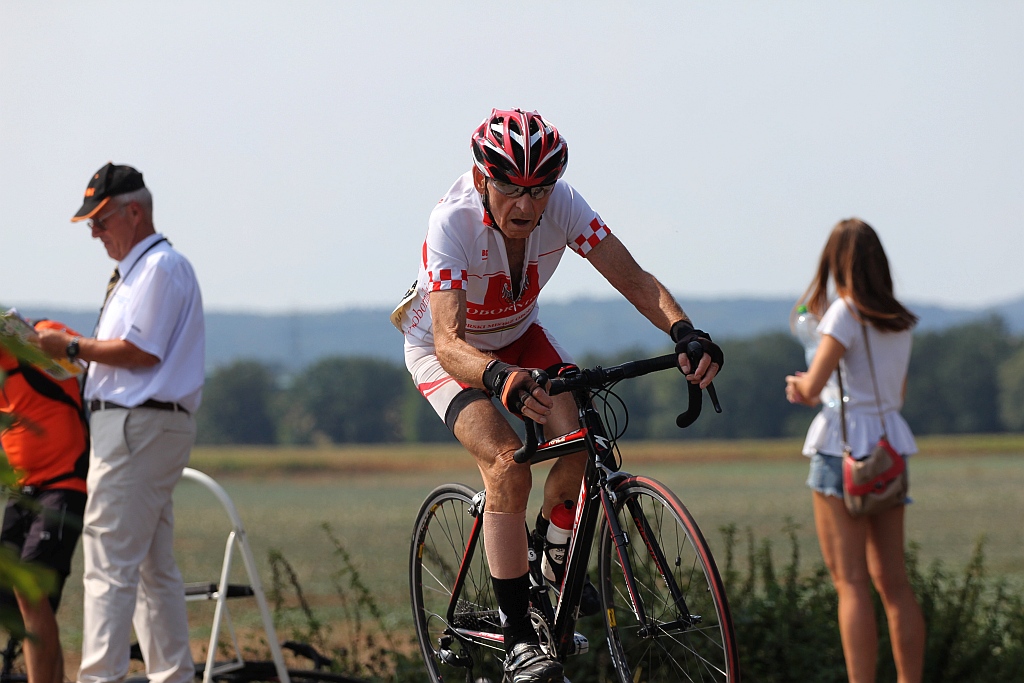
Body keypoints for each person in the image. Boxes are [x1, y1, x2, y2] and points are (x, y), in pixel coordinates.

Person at [393, 108, 724, 683]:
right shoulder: (450, 224)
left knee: (579, 441)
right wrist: (497, 378)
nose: (526, 206)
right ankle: (520, 637)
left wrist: (684, 332)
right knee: (507, 465)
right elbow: (447, 342)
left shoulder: (565, 207)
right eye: (512, 190)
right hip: (450, 352)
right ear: (481, 181)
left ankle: (551, 552)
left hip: (521, 335)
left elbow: (636, 280)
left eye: (539, 190)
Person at [36, 163, 205, 683]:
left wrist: (68, 346)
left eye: (101, 220)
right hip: (142, 426)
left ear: (135, 211)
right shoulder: (145, 270)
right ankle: (171, 675)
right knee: (154, 571)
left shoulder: (158, 268)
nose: (94, 231)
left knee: (108, 567)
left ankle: (100, 678)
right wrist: (75, 355)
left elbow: (139, 352)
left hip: (137, 428)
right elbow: (125, 354)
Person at [784, 218, 925, 683]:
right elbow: (897, 393)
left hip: (840, 449)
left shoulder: (844, 313)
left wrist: (798, 386)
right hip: (890, 446)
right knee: (895, 584)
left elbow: (814, 386)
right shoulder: (900, 319)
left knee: (850, 583)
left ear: (836, 263)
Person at [1, 318, 89, 683]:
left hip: (63, 485)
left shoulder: (37, 333)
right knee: (18, 600)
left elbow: (84, 358)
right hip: (22, 494)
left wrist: (42, 343)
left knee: (30, 592)